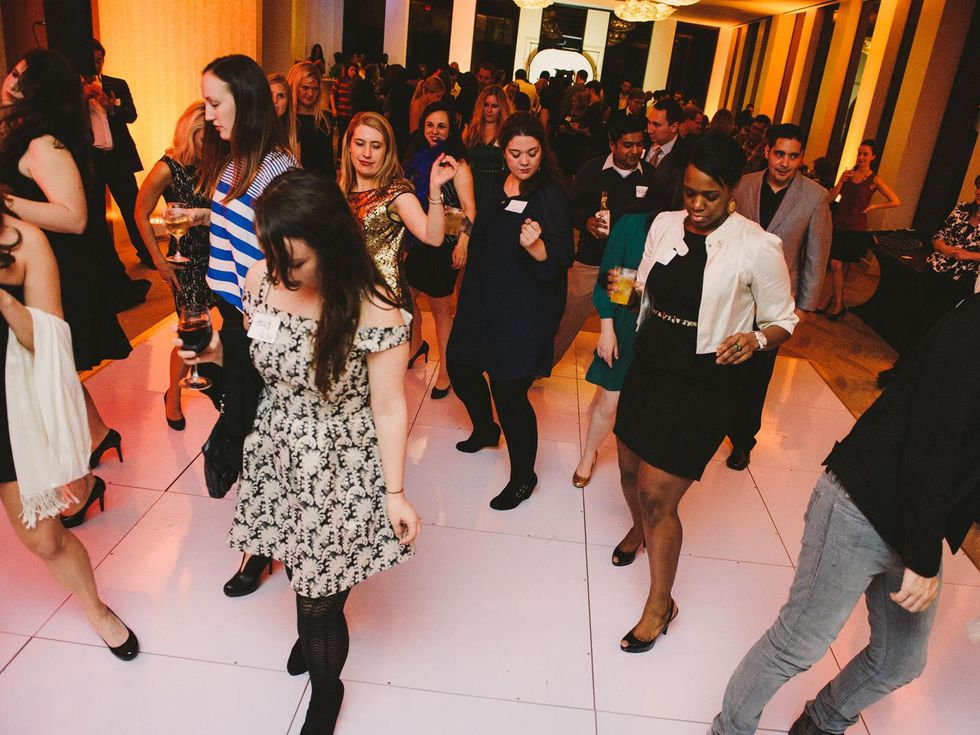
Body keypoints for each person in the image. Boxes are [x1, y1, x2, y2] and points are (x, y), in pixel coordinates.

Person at [180, 169, 420, 735]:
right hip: (277, 450)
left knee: (317, 599)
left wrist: (395, 492)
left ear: (333, 245)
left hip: (340, 461)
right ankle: (315, 636)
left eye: (296, 263)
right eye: (274, 255)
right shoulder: (262, 277)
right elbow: (256, 352)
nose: (281, 272)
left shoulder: (374, 305)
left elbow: (388, 408)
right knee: (300, 569)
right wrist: (213, 353)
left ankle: (326, 685)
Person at [710, 292, 980, 735]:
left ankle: (821, 723)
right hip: (860, 506)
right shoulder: (972, 329)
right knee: (796, 645)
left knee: (900, 661)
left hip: (915, 521)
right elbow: (935, 447)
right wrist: (923, 557)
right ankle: (728, 731)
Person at [609, 134, 797, 652]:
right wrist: (621, 293)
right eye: (689, 191)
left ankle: (659, 604)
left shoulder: (757, 245)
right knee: (626, 471)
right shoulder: (666, 224)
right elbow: (643, 286)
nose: (695, 205)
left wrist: (756, 338)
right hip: (651, 367)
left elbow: (784, 319)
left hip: (704, 380)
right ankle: (638, 531)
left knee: (656, 493)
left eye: (708, 196)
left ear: (732, 190)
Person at [170, 54, 298, 596]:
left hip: (265, 326)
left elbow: (290, 261)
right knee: (256, 436)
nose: (207, 114)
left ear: (244, 104)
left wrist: (257, 324)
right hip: (235, 321)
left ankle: (273, 546)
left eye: (215, 102)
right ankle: (267, 542)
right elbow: (237, 233)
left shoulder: (276, 170)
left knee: (265, 438)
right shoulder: (231, 165)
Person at [0, 200, 139, 662]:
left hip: (7, 411)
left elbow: (47, 341)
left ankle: (96, 610)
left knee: (44, 538)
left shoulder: (23, 242)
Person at [0, 49, 129, 490]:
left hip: (56, 274)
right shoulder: (23, 133)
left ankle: (82, 481)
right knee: (53, 371)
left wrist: (6, 201)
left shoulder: (44, 142)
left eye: (22, 77)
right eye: (13, 71)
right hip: (33, 269)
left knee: (48, 376)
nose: (10, 81)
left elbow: (74, 217)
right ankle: (98, 437)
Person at [446, 112, 574, 511]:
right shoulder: (498, 183)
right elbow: (481, 227)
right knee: (460, 366)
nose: (524, 161)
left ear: (542, 150)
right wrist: (465, 239)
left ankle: (524, 476)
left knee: (509, 391)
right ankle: (486, 428)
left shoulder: (549, 194)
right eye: (516, 153)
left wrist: (538, 249)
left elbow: (560, 261)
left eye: (532, 153)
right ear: (504, 150)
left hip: (524, 308)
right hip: (483, 295)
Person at [724, 123, 832, 471]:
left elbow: (816, 254)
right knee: (722, 359)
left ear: (802, 157)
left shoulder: (815, 197)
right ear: (768, 151)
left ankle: (743, 441)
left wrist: (804, 306)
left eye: (793, 155)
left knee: (758, 373)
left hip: (775, 301)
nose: (785, 163)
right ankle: (714, 425)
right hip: (733, 292)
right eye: (779, 153)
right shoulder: (744, 184)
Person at [133, 101, 213, 431]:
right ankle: (173, 398)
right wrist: (157, 261)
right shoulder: (168, 167)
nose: (210, 145)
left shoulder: (217, 162)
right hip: (187, 261)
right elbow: (140, 212)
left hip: (220, 256)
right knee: (191, 333)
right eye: (204, 138)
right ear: (189, 133)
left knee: (222, 330)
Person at [553, 115, 655, 370]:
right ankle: (539, 367)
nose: (635, 151)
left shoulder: (651, 177)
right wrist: (585, 221)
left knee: (619, 323)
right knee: (565, 320)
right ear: (612, 145)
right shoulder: (591, 170)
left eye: (640, 145)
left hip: (624, 271)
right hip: (590, 261)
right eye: (628, 145)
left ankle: (612, 374)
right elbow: (570, 208)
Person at [340, 111, 454, 312]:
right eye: (360, 143)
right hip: (347, 299)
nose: (366, 153)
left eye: (376, 146)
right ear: (348, 147)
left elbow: (433, 237)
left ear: (387, 151)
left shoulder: (396, 193)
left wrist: (435, 188)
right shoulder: (341, 192)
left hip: (385, 305)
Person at [403, 102, 475, 399]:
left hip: (444, 245)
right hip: (418, 240)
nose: (434, 131)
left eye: (441, 126)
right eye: (429, 125)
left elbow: (471, 209)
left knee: (441, 310)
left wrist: (463, 244)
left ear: (451, 130)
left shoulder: (457, 165)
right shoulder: (416, 157)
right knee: (407, 298)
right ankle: (417, 343)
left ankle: (446, 372)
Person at [577, 210, 649, 492]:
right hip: (627, 321)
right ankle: (588, 455)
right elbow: (611, 279)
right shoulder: (633, 225)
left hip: (664, 329)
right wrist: (608, 326)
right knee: (611, 399)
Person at [87, 39, 153, 267]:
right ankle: (103, 264)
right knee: (94, 214)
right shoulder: (71, 92)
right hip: (90, 161)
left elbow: (132, 115)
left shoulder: (117, 84)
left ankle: (147, 254)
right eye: (91, 61)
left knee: (133, 207)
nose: (95, 65)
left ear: (103, 60)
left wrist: (112, 107)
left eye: (98, 60)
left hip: (118, 158)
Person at [817, 139, 899, 320]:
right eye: (859, 153)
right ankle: (834, 299)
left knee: (838, 264)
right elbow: (830, 198)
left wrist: (873, 207)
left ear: (873, 157)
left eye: (865, 154)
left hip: (856, 226)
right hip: (839, 223)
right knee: (839, 265)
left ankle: (838, 304)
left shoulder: (873, 179)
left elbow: (895, 200)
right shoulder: (848, 174)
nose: (861, 157)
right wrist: (840, 182)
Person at [924, 172, 980, 301]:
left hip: (963, 280)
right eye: (977, 187)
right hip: (936, 267)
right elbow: (940, 234)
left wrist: (969, 255)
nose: (978, 192)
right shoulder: (961, 208)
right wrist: (943, 247)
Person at [463, 85, 511, 211]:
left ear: (501, 108)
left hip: (497, 187)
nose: (489, 110)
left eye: (494, 106)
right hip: (472, 186)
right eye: (486, 105)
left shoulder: (508, 133)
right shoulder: (471, 130)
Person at [287, 61, 335, 176]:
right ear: (294, 86)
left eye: (315, 89)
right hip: (294, 184)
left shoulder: (326, 119)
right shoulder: (286, 120)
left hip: (322, 185)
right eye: (305, 88)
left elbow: (329, 163)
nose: (310, 93)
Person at [267, 72, 299, 158]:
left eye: (280, 96)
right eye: (270, 94)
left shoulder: (292, 132)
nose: (274, 101)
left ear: (288, 102)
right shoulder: (252, 132)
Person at [332, 63, 359, 160]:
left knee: (351, 136)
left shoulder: (357, 82)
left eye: (354, 70)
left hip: (351, 113)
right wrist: (334, 109)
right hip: (342, 112)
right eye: (351, 70)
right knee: (342, 134)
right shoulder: (340, 81)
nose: (353, 72)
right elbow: (332, 95)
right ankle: (340, 157)